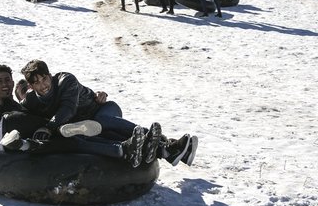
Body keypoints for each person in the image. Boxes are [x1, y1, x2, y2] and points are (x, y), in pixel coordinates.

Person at [19, 60, 198, 167]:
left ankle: (166, 143)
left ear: (50, 75)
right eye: (37, 83)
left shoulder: (65, 80)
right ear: (31, 86)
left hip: (103, 109)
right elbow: (18, 114)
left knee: (101, 121)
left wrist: (49, 127)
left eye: (44, 78)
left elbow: (68, 109)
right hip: (86, 127)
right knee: (97, 133)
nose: (43, 85)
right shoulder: (31, 101)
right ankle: (167, 150)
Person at [0, 66, 103, 157]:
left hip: (7, 136)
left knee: (52, 138)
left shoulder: (13, 106)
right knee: (53, 131)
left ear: (12, 82)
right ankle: (64, 131)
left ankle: (41, 140)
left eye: (7, 80)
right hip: (7, 129)